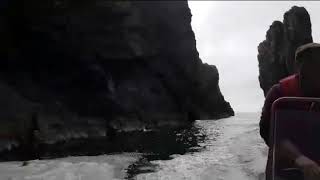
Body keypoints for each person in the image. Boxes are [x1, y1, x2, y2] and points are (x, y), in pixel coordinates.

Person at [260, 43, 320, 180]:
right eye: (311, 63)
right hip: (285, 168)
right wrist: (298, 158)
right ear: (298, 67)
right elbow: (267, 132)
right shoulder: (279, 93)